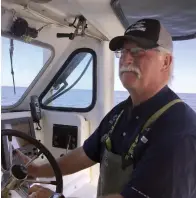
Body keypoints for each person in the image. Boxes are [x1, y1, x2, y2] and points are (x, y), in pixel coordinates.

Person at [21, 18, 196, 198]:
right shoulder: (120, 113)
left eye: (137, 51)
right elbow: (85, 153)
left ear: (165, 62)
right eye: (124, 51)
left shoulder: (179, 130)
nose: (126, 58)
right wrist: (38, 171)